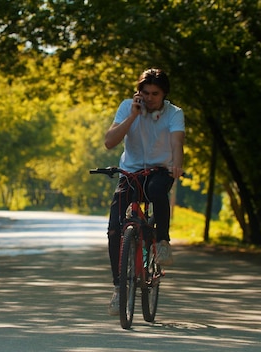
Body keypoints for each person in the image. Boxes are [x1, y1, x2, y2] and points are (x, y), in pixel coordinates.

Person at [103, 68, 185, 316]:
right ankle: (119, 288)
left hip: (160, 170)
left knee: (156, 191)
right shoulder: (128, 106)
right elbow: (109, 142)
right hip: (130, 171)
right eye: (145, 93)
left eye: (155, 94)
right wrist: (132, 116)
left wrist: (176, 165)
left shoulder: (174, 113)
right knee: (115, 229)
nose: (149, 98)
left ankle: (162, 242)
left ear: (164, 95)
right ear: (138, 93)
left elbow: (176, 142)